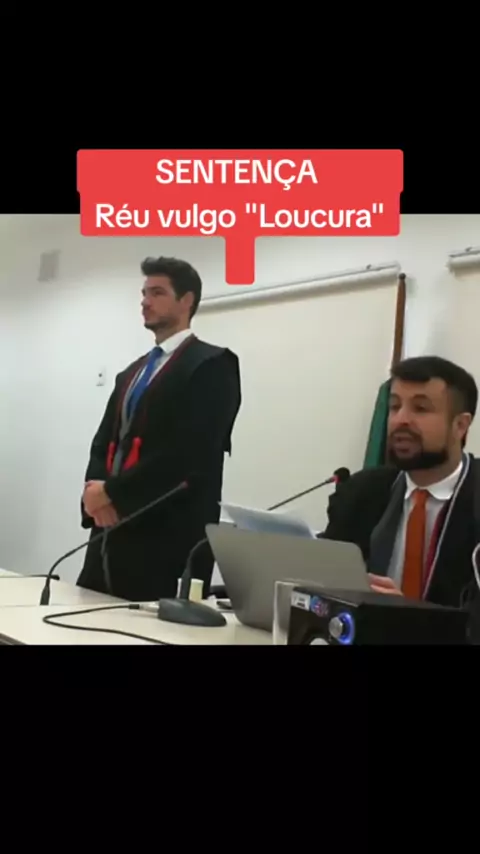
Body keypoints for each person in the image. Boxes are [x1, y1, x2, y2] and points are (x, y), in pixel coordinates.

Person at [77, 256, 241, 602]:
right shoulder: (131, 373)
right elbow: (103, 442)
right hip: (108, 530)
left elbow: (188, 455)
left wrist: (114, 493)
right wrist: (94, 492)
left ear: (187, 300)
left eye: (157, 293)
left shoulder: (212, 366)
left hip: (166, 536)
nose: (145, 301)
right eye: (144, 293)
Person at [321, 355, 480, 641]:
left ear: (460, 425)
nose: (400, 419)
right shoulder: (361, 491)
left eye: (420, 408)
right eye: (395, 406)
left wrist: (410, 620)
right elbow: (325, 581)